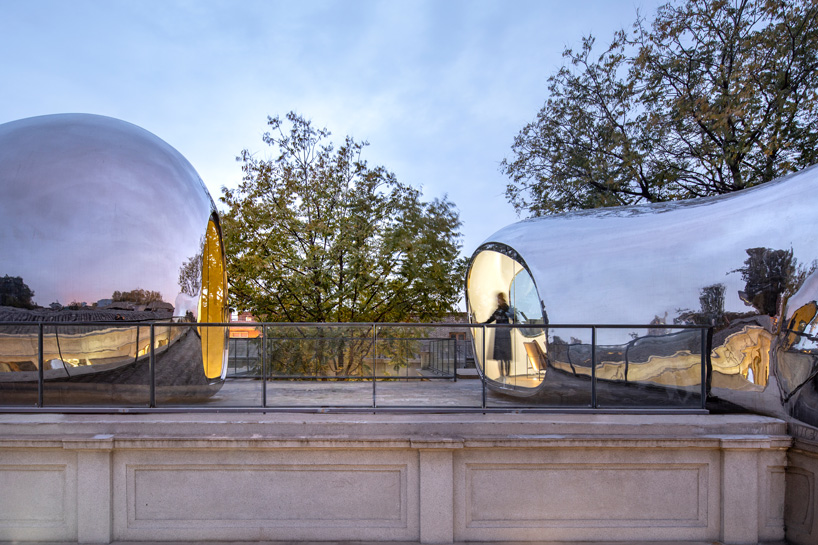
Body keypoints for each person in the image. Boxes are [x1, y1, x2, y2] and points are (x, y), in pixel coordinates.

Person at [484, 292, 512, 377]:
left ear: (501, 299)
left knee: (506, 357)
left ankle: (506, 374)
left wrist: (509, 328)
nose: (497, 301)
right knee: (500, 356)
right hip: (500, 334)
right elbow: (490, 319)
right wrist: (481, 323)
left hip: (504, 334)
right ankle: (502, 374)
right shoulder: (499, 310)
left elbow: (514, 318)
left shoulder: (506, 309)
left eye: (498, 299)